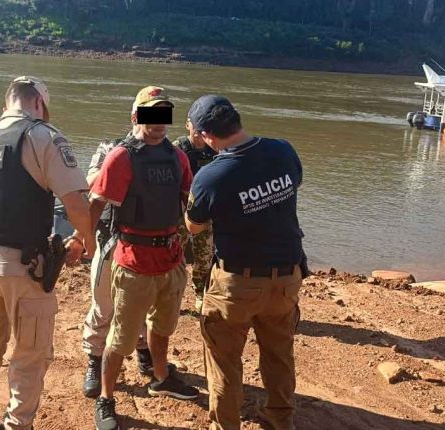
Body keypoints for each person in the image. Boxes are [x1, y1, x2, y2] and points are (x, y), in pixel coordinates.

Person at [0, 76, 95, 430]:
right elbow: (77, 205)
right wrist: (89, 242)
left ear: (8, 101)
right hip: (21, 266)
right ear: (39, 103)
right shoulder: (44, 137)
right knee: (30, 355)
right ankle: (18, 425)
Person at [184, 95, 307, 430]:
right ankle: (281, 419)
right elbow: (293, 185)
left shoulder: (211, 176)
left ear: (207, 136)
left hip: (237, 282)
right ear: (237, 120)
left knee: (224, 361)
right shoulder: (283, 150)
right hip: (286, 276)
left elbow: (195, 226)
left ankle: (225, 425)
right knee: (279, 353)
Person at [88, 86, 199, 430]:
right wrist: (84, 243)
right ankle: (107, 397)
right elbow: (96, 204)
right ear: (137, 116)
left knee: (163, 327)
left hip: (171, 258)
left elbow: (191, 199)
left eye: (163, 114)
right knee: (120, 338)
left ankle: (161, 377)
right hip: (134, 260)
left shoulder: (177, 156)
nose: (158, 123)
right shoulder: (122, 157)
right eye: (151, 114)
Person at [81, 131, 170, 398]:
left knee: (141, 304)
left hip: (143, 245)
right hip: (110, 239)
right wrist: (116, 164)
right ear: (135, 117)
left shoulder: (164, 153)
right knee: (104, 305)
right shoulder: (111, 146)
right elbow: (89, 185)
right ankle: (95, 360)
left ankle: (144, 353)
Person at [173, 117, 217, 313]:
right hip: (181, 211)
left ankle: (201, 294)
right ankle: (172, 294)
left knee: (205, 256)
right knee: (174, 253)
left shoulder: (214, 150)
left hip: (204, 213)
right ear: (187, 125)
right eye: (194, 127)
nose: (198, 133)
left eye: (202, 128)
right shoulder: (177, 148)